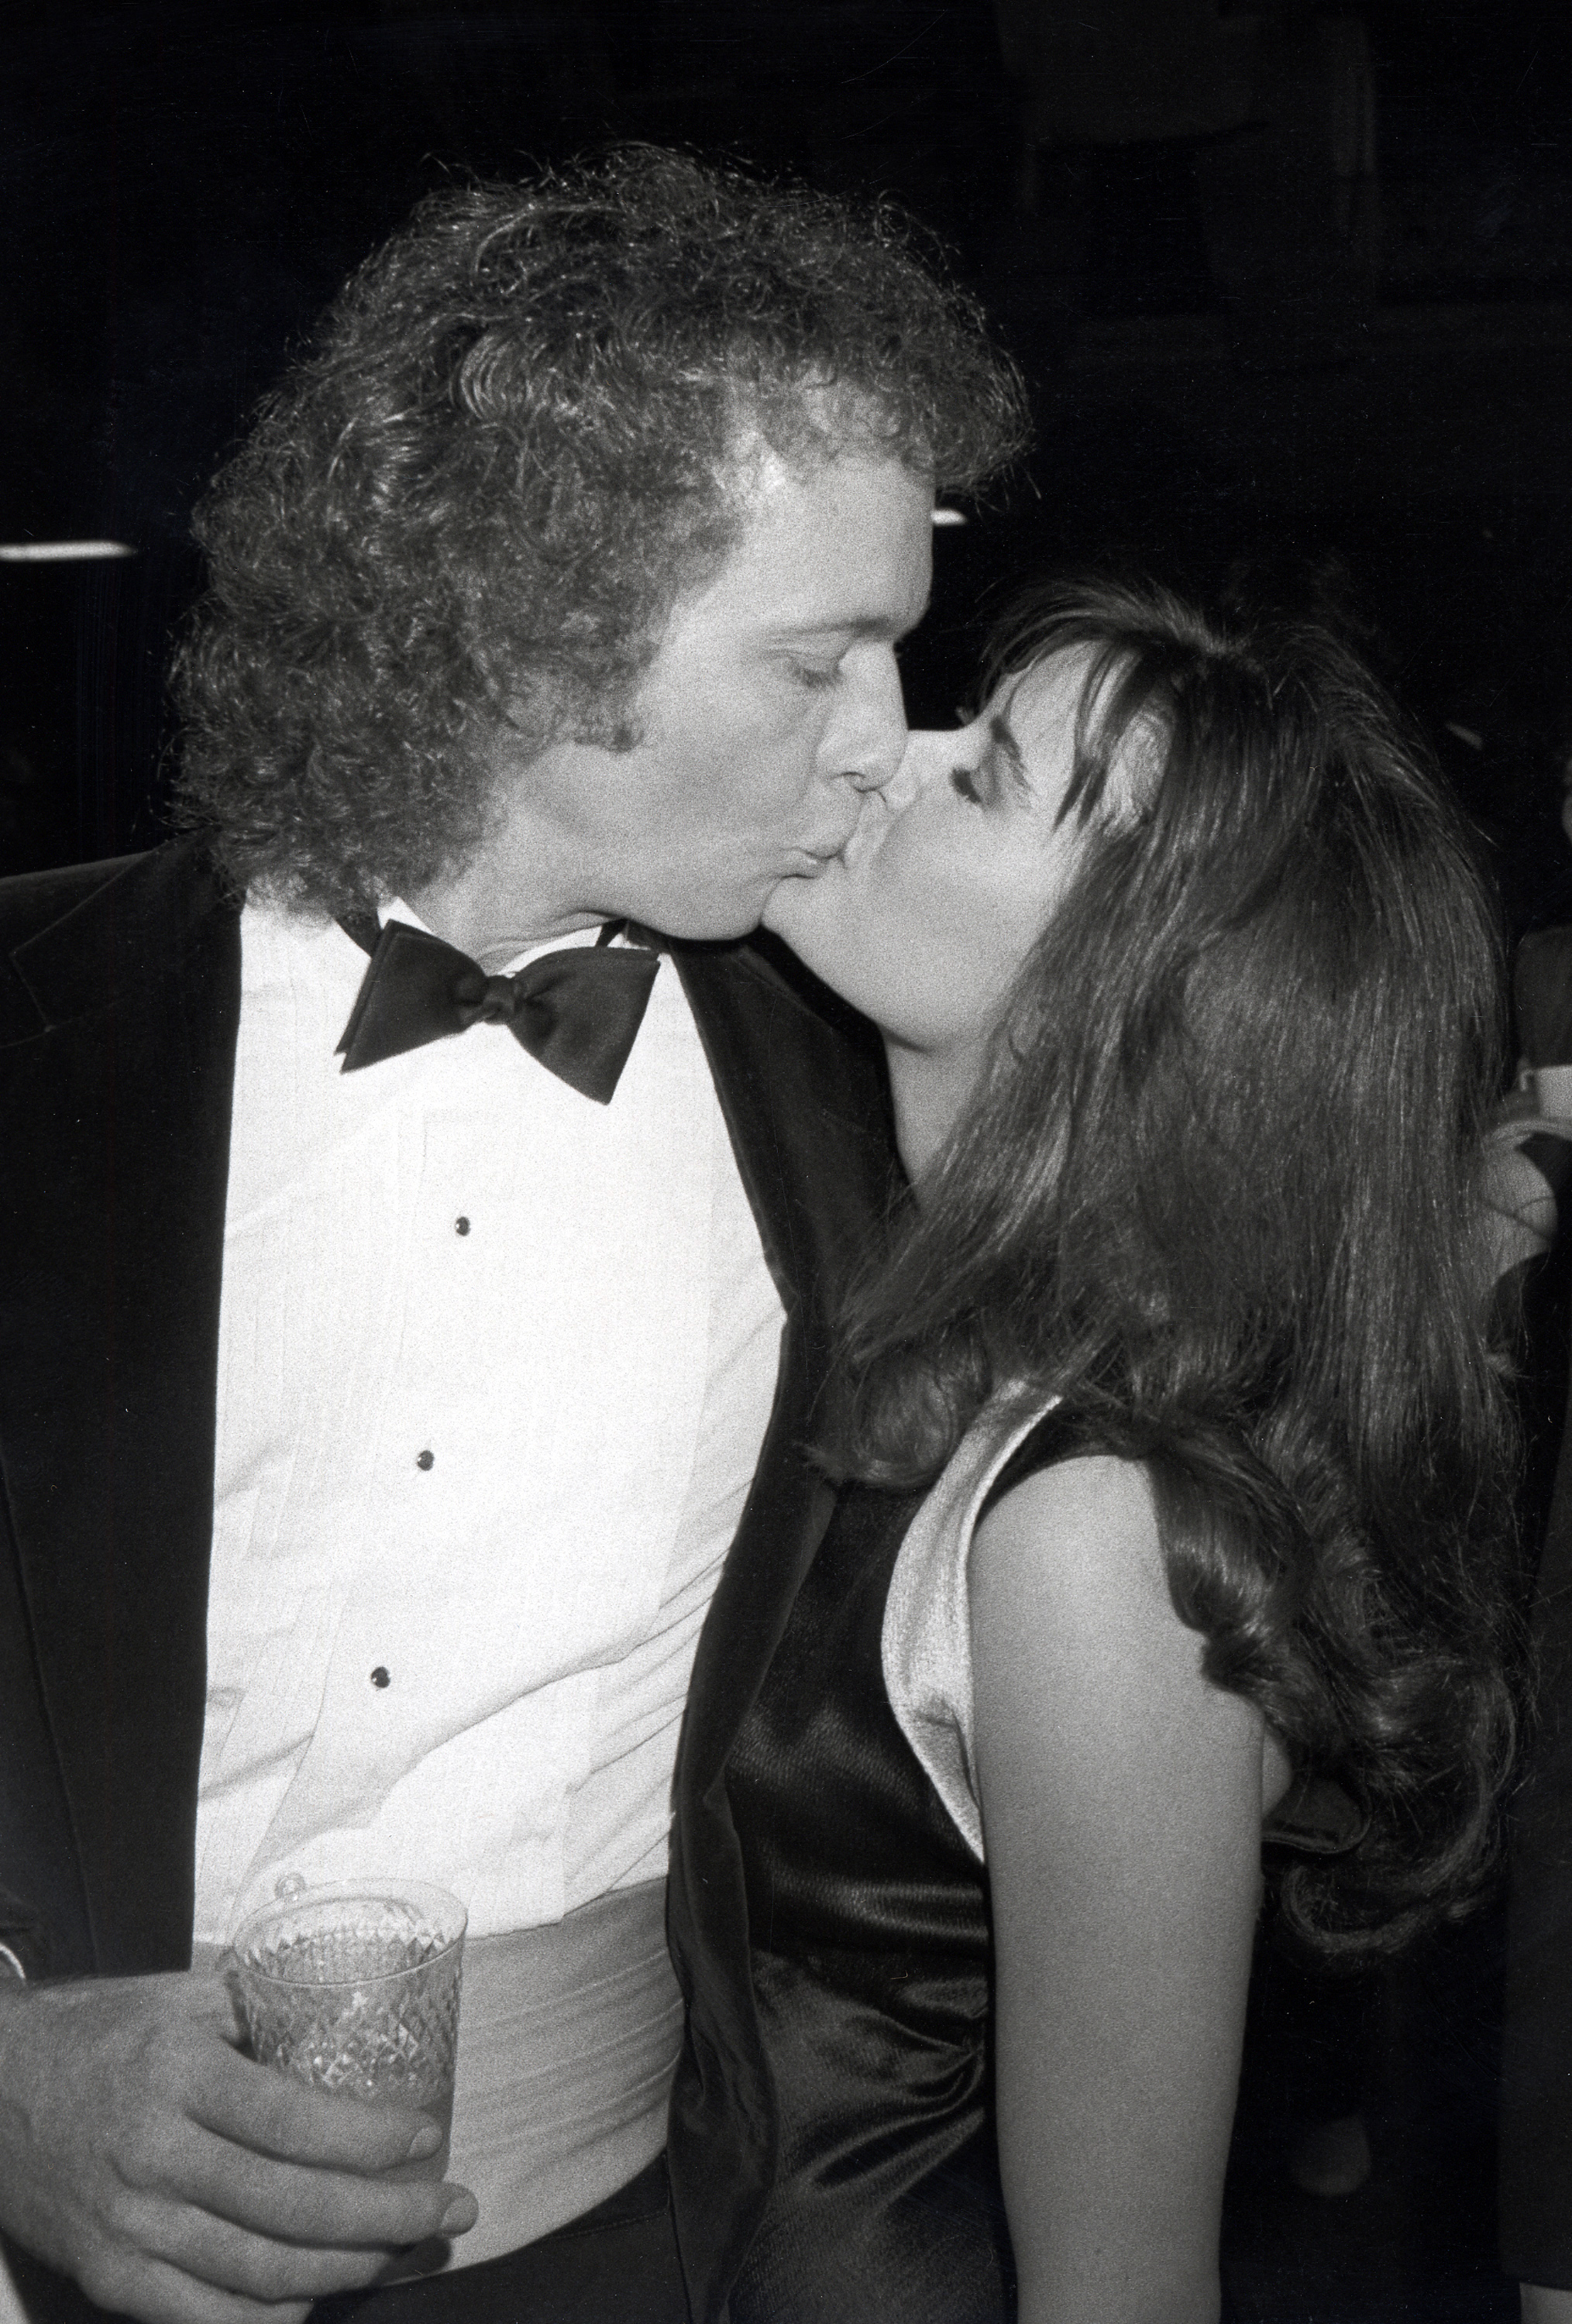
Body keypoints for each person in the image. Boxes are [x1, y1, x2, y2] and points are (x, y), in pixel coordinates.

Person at [0, 149, 1026, 2324]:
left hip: (643, 2245)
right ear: (536, 635)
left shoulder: (863, 1075)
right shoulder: (28, 1030)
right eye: (816, 660)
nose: (886, 741)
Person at [663, 579, 1522, 2323]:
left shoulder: (1096, 1537)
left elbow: (1120, 2298)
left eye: (978, 776)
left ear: (1125, 993)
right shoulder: (952, 1375)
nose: (881, 758)